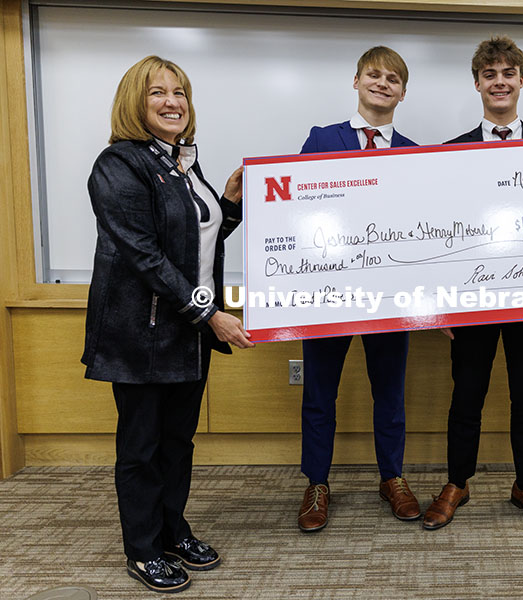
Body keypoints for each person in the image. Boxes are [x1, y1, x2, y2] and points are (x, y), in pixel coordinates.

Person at [83, 55, 253, 593]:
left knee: (178, 442)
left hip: (186, 331)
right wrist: (212, 314)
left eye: (179, 92)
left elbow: (193, 244)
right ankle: (142, 548)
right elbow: (145, 256)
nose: (172, 101)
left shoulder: (182, 162)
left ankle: (172, 531)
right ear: (136, 102)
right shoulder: (118, 165)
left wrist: (228, 203)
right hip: (140, 333)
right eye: (158, 93)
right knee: (141, 446)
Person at [422, 36, 523, 534]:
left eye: (508, 73)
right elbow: (438, 232)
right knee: (467, 395)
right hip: (472, 300)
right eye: (490, 74)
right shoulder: (450, 154)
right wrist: (439, 304)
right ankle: (457, 482)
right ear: (478, 83)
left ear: (522, 81)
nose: (499, 82)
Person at [295, 46, 420, 532]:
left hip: (391, 297)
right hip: (328, 294)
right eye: (374, 74)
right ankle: (317, 483)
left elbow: (423, 229)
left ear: (402, 92)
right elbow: (298, 212)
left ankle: (392, 477)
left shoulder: (414, 153)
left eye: (393, 78)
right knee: (319, 394)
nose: (382, 83)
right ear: (356, 81)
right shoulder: (321, 138)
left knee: (390, 393)